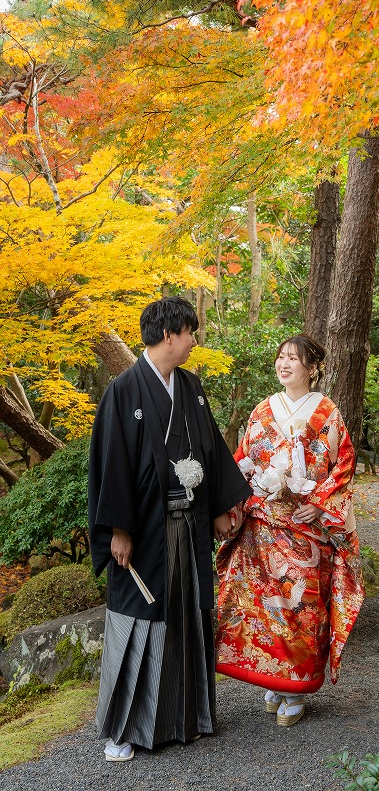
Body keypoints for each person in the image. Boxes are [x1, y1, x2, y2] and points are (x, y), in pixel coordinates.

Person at [88, 296, 251, 761]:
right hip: (143, 533)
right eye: (189, 332)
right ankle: (122, 729)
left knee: (186, 617)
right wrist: (118, 529)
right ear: (168, 335)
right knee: (139, 620)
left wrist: (220, 507)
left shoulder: (191, 388)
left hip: (189, 525)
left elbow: (211, 450)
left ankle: (184, 718)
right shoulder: (123, 391)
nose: (194, 340)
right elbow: (112, 465)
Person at [215, 335, 364, 727]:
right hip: (265, 522)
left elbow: (344, 462)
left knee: (302, 607)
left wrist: (319, 502)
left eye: (293, 359)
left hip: (307, 525)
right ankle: (275, 677)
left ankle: (295, 686)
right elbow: (243, 459)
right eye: (281, 358)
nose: (284, 364)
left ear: (312, 368)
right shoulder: (263, 410)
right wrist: (237, 501)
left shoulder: (327, 411)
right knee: (267, 605)